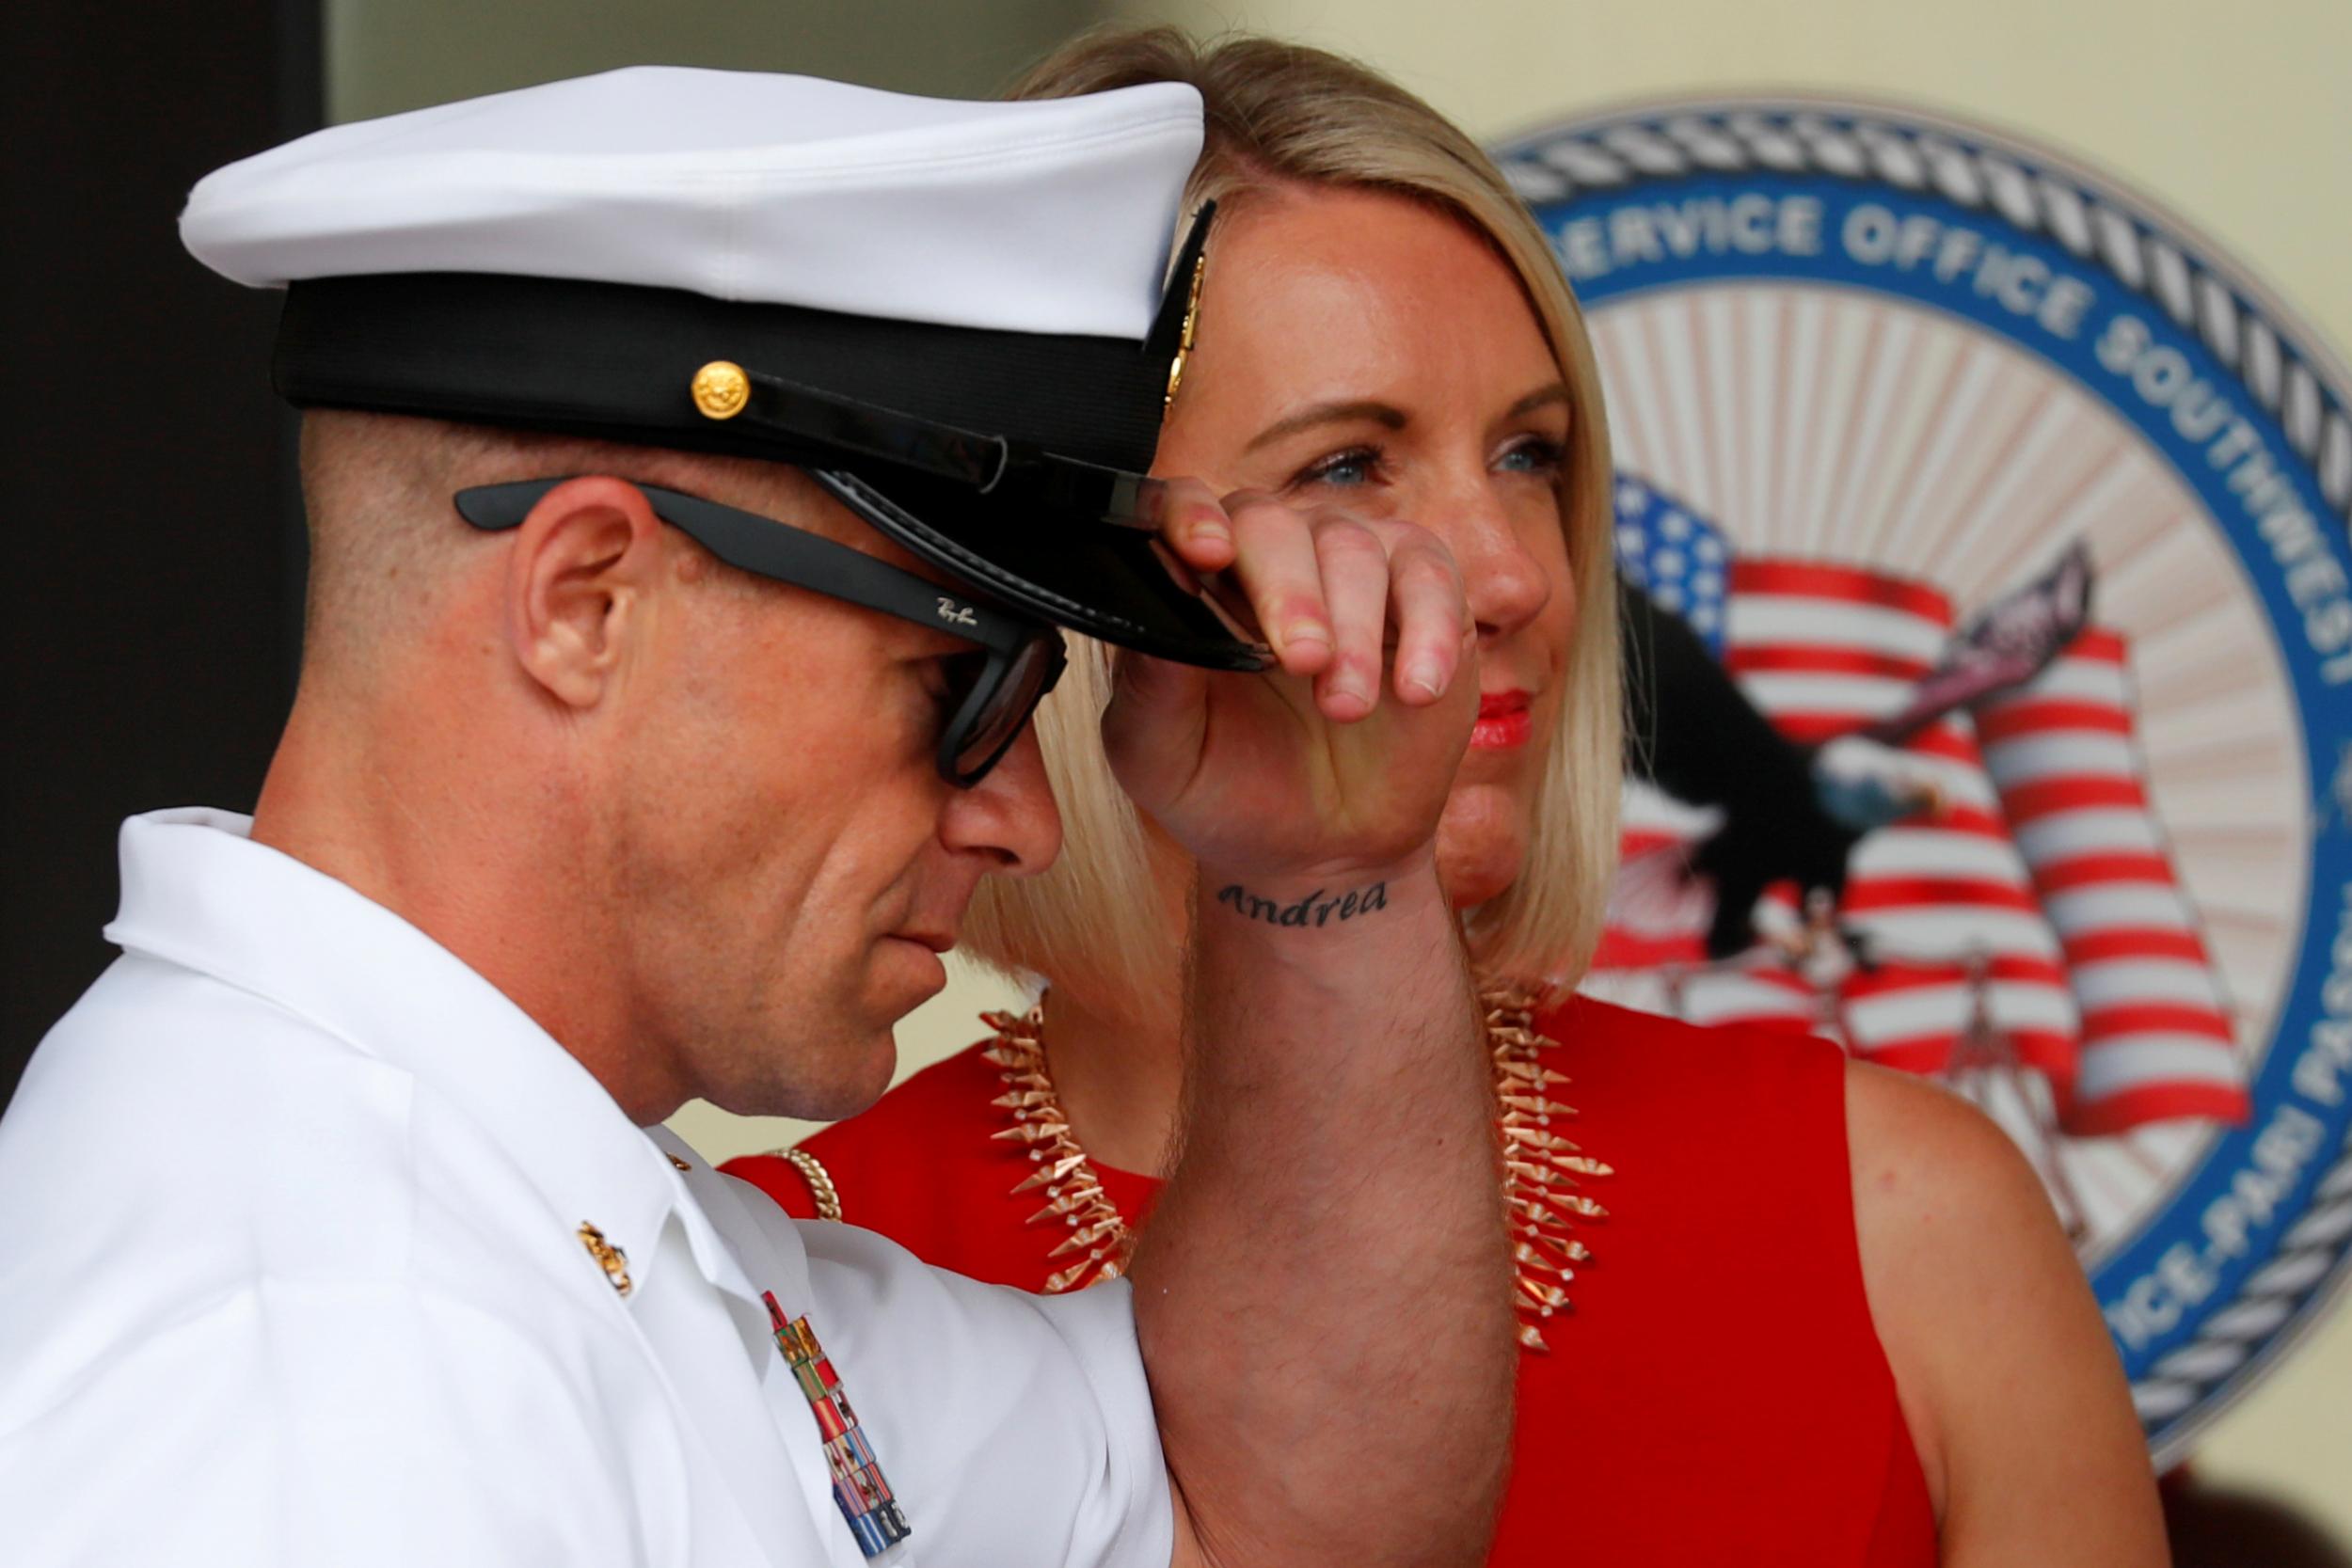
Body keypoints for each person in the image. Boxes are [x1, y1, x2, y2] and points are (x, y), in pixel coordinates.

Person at [0, 66, 1519, 1568]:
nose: (1025, 822)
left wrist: (1327, 872)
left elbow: (1258, 1509)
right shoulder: (331, 1361)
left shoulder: (511, 1192)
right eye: (963, 678)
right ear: (589, 601)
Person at [726, 31, 2170, 1567]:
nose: (1518, 574)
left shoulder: (1896, 1215)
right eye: (1349, 467)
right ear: (1055, 572)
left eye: (1533, 456)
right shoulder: (773, 1281)